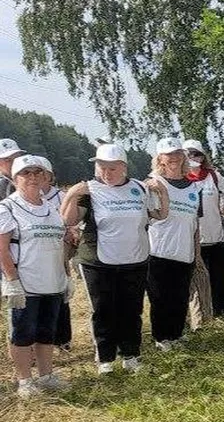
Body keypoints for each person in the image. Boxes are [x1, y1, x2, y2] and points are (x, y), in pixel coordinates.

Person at [61, 143, 168, 374]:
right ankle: (105, 359)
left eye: (112, 168)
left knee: (131, 309)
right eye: (102, 167)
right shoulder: (88, 191)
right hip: (98, 262)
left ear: (124, 168)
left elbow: (160, 214)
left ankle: (131, 355)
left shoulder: (139, 188)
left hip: (135, 260)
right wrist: (71, 194)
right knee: (103, 310)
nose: (106, 173)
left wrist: (162, 192)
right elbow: (68, 220)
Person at [0, 155, 71, 396]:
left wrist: (66, 275)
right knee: (22, 333)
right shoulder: (7, 208)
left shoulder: (51, 208)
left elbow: (60, 243)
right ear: (15, 178)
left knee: (46, 331)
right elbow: (2, 249)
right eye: (25, 173)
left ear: (45, 177)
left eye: (37, 173)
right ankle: (24, 381)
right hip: (25, 283)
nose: (32, 178)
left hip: (52, 281)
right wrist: (11, 282)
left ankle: (46, 375)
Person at [147, 138, 205, 350]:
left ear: (183, 156)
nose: (173, 158)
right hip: (159, 251)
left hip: (185, 252)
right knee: (161, 298)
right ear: (160, 158)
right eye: (168, 155)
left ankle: (177, 333)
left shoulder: (194, 187)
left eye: (177, 153)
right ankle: (162, 338)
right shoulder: (153, 184)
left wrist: (197, 255)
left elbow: (195, 224)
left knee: (181, 297)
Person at [185, 138, 224, 319]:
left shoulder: (213, 175)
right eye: (188, 154)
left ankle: (221, 315)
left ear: (203, 157)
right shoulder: (180, 179)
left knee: (219, 280)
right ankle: (199, 318)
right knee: (196, 282)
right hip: (192, 241)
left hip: (216, 238)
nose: (193, 157)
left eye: (196, 154)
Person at [36, 156, 73, 353]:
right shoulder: (25, 197)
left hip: (58, 252)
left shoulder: (60, 196)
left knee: (61, 297)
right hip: (35, 255)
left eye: (43, 174)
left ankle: (63, 340)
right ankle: (40, 341)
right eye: (35, 174)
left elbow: (70, 224)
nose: (39, 178)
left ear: (50, 176)